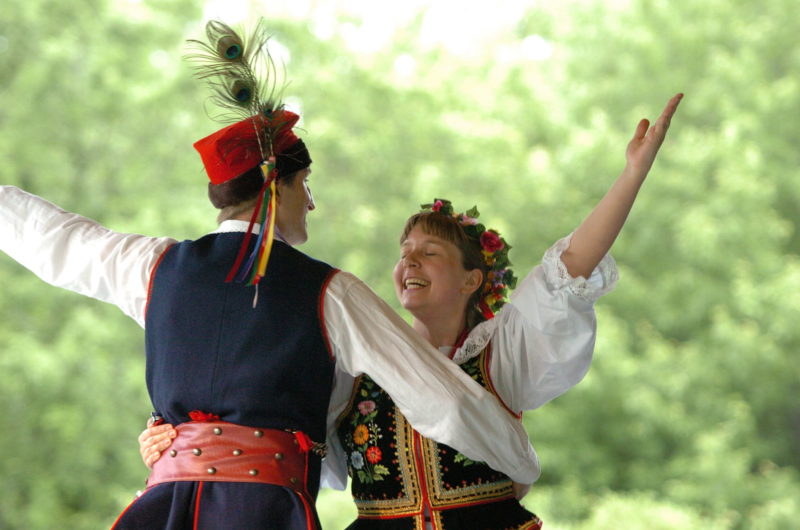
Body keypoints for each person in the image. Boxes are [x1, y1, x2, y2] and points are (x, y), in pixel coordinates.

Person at [0, 21, 539, 529]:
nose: (311, 201)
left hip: (168, 509)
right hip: (265, 510)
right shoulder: (331, 292)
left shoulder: (153, 266)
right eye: (305, 184)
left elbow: (53, 238)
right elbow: (439, 396)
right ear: (275, 188)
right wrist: (517, 458)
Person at [139, 93, 684, 529]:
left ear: (474, 278)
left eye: (429, 252)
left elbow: (570, 268)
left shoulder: (499, 357)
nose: (409, 263)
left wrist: (632, 173)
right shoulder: (354, 368)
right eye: (403, 254)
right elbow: (265, 406)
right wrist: (179, 438)